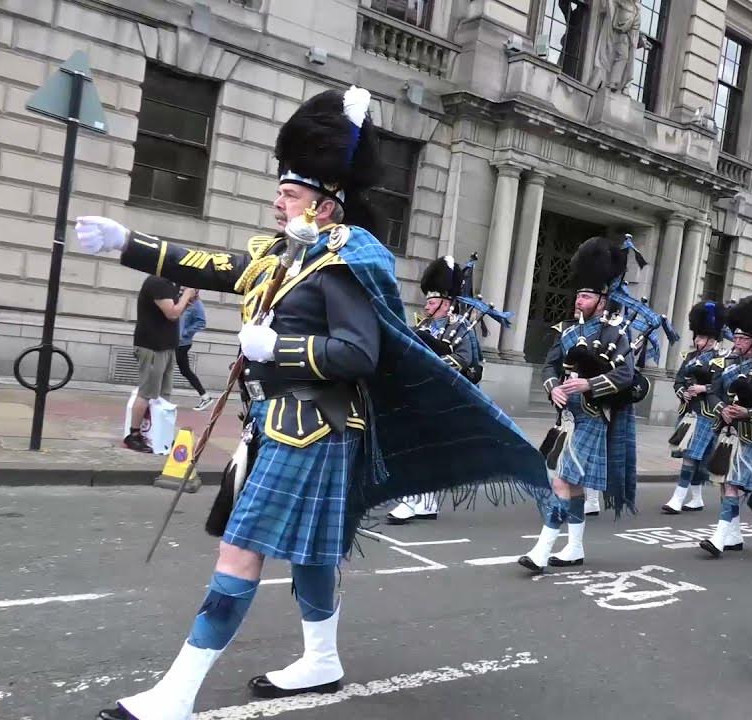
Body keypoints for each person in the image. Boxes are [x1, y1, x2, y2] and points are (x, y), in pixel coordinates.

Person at [76, 86, 548, 720]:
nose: (278, 201)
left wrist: (280, 347)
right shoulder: (284, 255)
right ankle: (321, 659)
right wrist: (127, 242)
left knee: (240, 550)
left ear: (326, 205)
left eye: (290, 194)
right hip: (276, 423)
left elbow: (358, 353)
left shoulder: (345, 260)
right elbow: (213, 263)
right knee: (311, 553)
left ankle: (177, 694)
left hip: (313, 427)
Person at [520, 236, 638, 573]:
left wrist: (589, 384)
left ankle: (542, 550)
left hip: (593, 417)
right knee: (571, 484)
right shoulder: (567, 331)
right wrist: (554, 389)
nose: (578, 300)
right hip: (566, 420)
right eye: (578, 295)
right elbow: (549, 367)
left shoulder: (616, 334)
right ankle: (574, 547)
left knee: (561, 480)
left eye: (585, 296)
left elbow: (626, 374)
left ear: (602, 301)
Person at [386, 255, 482, 525]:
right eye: (427, 301)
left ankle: (409, 500)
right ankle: (426, 502)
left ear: (446, 303)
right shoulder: (422, 326)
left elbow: (465, 361)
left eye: (432, 301)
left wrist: (433, 361)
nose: (427, 306)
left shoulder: (461, 327)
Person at [699, 294, 752, 557]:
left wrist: (749, 413)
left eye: (743, 338)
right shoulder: (725, 363)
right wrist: (722, 409)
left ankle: (719, 537)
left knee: (734, 484)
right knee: (725, 484)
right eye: (735, 337)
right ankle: (733, 534)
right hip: (727, 432)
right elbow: (712, 393)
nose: (737, 342)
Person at [663, 301, 730, 514]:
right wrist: (683, 392)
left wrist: (703, 388)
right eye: (697, 337)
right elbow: (679, 380)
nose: (698, 340)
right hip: (689, 411)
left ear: (713, 339)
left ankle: (677, 498)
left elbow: (722, 386)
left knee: (691, 455)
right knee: (697, 457)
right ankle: (697, 498)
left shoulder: (721, 360)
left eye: (702, 337)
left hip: (707, 413)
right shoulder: (690, 357)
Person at [126, 275, 197, 452]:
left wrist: (186, 301)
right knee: (147, 392)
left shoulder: (170, 283)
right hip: (152, 346)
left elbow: (176, 311)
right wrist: (186, 295)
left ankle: (160, 433)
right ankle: (133, 435)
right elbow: (172, 314)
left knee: (164, 393)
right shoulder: (157, 283)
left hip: (167, 346)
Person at [177, 291, 215, 411]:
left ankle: (205, 397)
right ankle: (205, 397)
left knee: (183, 370)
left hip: (182, 343)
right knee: (184, 370)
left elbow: (201, 322)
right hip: (174, 341)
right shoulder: (181, 299)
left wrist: (184, 333)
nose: (183, 289)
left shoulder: (197, 304)